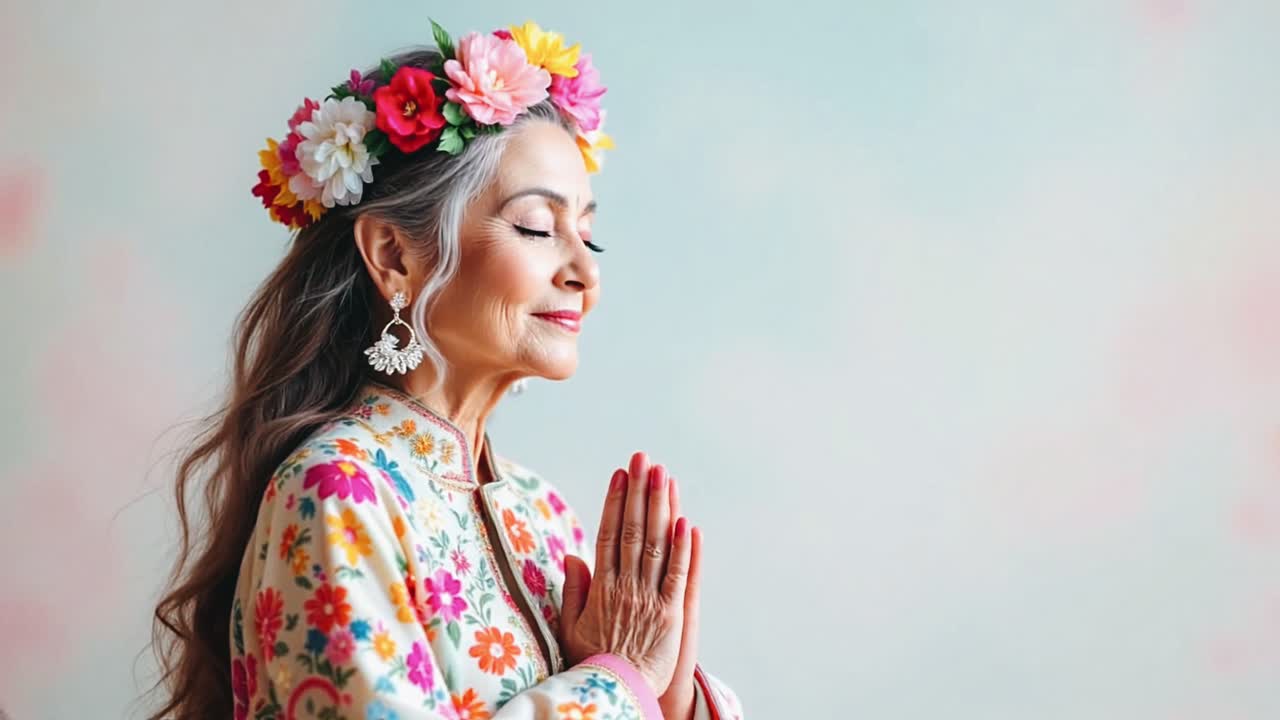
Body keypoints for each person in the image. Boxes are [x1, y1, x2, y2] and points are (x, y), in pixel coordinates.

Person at [149, 19, 743, 720]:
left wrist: (668, 696)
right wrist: (619, 683)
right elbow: (619, 685)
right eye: (535, 227)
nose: (586, 271)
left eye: (589, 232)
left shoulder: (542, 512)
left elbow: (638, 687)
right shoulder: (337, 491)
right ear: (396, 257)